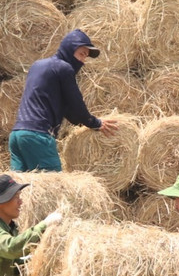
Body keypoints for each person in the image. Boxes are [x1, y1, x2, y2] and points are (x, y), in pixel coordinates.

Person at [9, 29, 118, 171]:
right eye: (81, 54)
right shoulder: (64, 68)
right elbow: (75, 102)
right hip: (38, 136)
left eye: (85, 56)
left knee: (21, 189)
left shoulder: (37, 65)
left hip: (17, 135)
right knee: (52, 187)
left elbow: (63, 106)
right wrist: (94, 122)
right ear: (69, 48)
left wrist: (80, 122)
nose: (83, 60)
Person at [0, 174, 62, 276]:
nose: (21, 202)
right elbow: (11, 248)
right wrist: (44, 225)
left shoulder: (9, 227)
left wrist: (39, 261)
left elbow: (14, 264)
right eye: (16, 197)